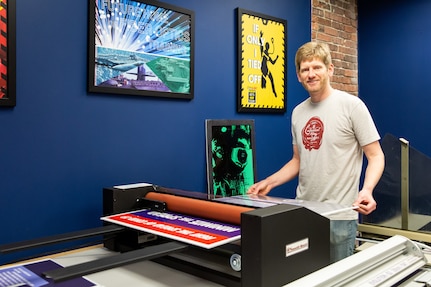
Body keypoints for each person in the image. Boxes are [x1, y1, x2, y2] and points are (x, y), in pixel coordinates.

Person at [247, 41, 385, 263]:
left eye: (316, 67)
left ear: (329, 69)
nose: (311, 74)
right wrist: (269, 182)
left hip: (339, 217)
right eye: (305, 69)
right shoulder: (298, 113)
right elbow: (297, 160)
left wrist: (367, 190)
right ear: (299, 76)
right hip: (303, 213)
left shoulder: (352, 106)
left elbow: (376, 156)